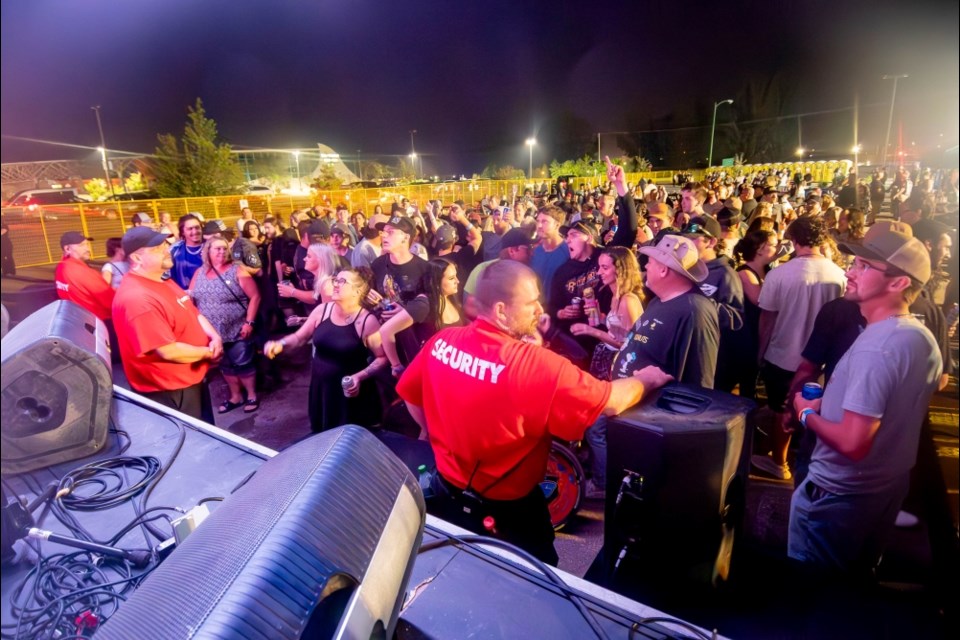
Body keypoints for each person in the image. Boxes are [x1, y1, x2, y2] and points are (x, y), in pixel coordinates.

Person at [395, 260, 673, 564]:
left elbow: (412, 395)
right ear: (501, 310)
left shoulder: (442, 342)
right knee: (535, 587)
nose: (540, 309)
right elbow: (611, 400)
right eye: (531, 302)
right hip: (512, 513)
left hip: (446, 491)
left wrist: (437, 435)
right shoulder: (537, 365)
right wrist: (647, 379)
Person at [789, 223, 942, 576]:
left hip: (838, 496)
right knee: (855, 586)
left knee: (815, 597)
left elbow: (854, 443)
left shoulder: (879, 347)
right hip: (882, 490)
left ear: (898, 282)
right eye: (854, 262)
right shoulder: (918, 336)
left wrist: (806, 414)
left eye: (863, 266)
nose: (849, 271)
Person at [753, 217, 847, 480]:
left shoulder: (779, 274)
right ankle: (809, 462)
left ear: (794, 241)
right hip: (824, 362)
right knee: (817, 411)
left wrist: (760, 354)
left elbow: (767, 319)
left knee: (780, 410)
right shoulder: (839, 275)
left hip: (783, 357)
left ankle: (779, 462)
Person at [112, 227, 223, 421]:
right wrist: (209, 352)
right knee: (194, 446)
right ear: (137, 259)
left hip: (190, 379)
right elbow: (168, 351)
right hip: (170, 390)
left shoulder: (163, 280)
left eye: (165, 244)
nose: (167, 250)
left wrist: (215, 337)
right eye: (157, 248)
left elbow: (192, 312)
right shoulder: (138, 298)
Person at [264, 268, 387, 432]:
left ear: (358, 290)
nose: (336, 284)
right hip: (322, 390)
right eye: (336, 280)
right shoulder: (323, 310)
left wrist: (359, 377)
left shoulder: (366, 322)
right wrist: (281, 343)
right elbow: (300, 337)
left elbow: (382, 358)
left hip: (350, 396)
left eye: (343, 282)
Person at [612, 234, 719, 387]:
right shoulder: (657, 300)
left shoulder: (695, 311)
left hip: (656, 409)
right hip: (632, 405)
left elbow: (699, 380)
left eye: (649, 262)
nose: (646, 267)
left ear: (663, 270)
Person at [188, 236, 261, 414]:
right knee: (225, 365)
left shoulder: (237, 270)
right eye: (217, 249)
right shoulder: (199, 272)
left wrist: (249, 322)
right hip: (213, 333)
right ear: (208, 252)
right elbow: (191, 296)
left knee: (243, 363)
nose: (221, 252)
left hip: (237, 329)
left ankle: (251, 395)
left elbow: (255, 296)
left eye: (224, 248)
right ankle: (235, 396)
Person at [378, 257, 466, 377]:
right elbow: (386, 331)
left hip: (453, 368)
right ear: (436, 281)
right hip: (433, 373)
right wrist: (396, 366)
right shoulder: (423, 304)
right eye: (451, 278)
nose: (458, 281)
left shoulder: (449, 297)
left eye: (456, 276)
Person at [732, 229, 779, 398]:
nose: (778, 248)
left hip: (760, 332)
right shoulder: (745, 273)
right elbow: (761, 300)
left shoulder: (767, 271)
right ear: (759, 249)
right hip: (748, 335)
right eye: (773, 245)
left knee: (751, 379)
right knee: (746, 380)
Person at [55, 231, 114, 321]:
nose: (87, 248)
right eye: (81, 245)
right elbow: (110, 301)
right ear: (67, 249)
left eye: (87, 244)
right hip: (98, 322)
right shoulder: (83, 272)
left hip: (77, 320)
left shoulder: (61, 267)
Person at [277, 242, 338, 313]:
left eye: (309, 256)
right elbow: (316, 298)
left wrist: (292, 292)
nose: (304, 259)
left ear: (320, 259)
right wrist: (305, 319)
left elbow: (329, 317)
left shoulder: (328, 284)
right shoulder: (319, 279)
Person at [169, 213, 205, 289]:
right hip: (184, 296)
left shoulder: (211, 247)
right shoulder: (174, 250)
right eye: (190, 229)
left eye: (197, 227)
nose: (195, 231)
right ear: (182, 232)